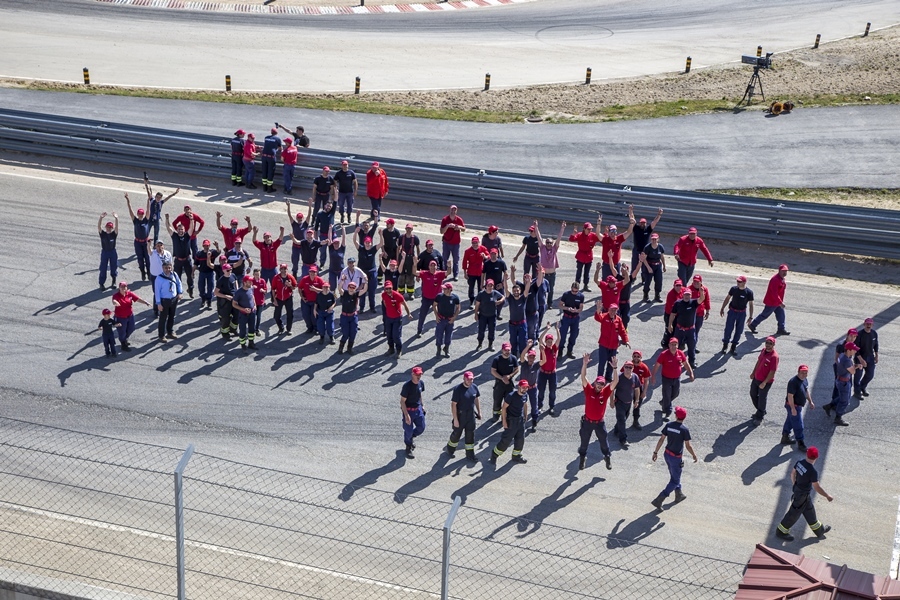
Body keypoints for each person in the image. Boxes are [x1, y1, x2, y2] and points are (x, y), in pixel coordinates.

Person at [774, 446, 833, 541]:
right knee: (793, 514)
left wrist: (795, 485)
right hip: (801, 496)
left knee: (810, 512)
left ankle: (819, 530)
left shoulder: (799, 463)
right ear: (816, 458)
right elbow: (817, 487)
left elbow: (792, 474)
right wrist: (827, 496)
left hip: (801, 494)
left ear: (807, 454)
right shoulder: (812, 471)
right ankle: (780, 531)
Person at [650, 406, 697, 509]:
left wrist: (655, 452)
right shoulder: (684, 430)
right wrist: (694, 455)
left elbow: (661, 440)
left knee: (674, 475)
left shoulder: (669, 425)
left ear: (676, 416)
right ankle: (660, 498)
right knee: (675, 480)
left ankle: (679, 494)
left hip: (667, 455)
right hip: (676, 458)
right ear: (684, 417)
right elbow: (688, 445)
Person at [577, 353, 617, 471]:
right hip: (587, 422)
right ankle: (582, 459)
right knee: (584, 442)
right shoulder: (589, 390)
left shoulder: (605, 393)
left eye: (602, 384)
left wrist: (614, 368)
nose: (600, 386)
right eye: (598, 383)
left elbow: (615, 382)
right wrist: (584, 364)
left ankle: (607, 457)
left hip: (599, 423)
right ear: (594, 383)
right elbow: (583, 377)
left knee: (604, 442)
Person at [488, 379, 530, 465]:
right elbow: (504, 408)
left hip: (520, 421)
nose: (525, 389)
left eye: (526, 387)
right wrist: (504, 421)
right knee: (505, 442)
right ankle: (494, 454)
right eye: (523, 387)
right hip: (511, 421)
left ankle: (516, 456)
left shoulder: (525, 395)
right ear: (519, 387)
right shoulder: (511, 396)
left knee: (520, 440)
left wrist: (526, 415)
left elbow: (525, 404)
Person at [651, 338, 694, 420]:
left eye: (675, 344)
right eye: (672, 344)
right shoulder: (664, 354)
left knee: (675, 393)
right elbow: (657, 365)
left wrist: (691, 373)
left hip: (677, 378)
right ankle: (668, 412)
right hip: (666, 378)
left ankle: (664, 402)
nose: (673, 346)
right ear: (669, 345)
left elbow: (686, 364)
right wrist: (653, 376)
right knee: (667, 394)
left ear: (677, 345)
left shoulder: (680, 354)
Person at [668, 283, 705, 369]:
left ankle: (691, 362)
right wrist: (670, 325)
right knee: (675, 346)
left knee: (691, 346)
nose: (687, 296)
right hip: (679, 329)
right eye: (685, 294)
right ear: (683, 295)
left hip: (690, 330)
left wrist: (701, 292)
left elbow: (702, 299)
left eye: (688, 295)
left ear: (690, 295)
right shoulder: (678, 303)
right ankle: (675, 361)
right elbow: (672, 314)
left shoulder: (693, 302)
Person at [446, 371, 482, 462]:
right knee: (456, 434)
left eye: (471, 379)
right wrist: (455, 419)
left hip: (470, 415)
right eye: (468, 379)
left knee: (470, 435)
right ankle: (450, 449)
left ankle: (470, 454)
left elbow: (476, 399)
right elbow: (453, 404)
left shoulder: (474, 387)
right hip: (460, 415)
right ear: (464, 379)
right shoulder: (458, 389)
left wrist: (479, 412)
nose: (470, 381)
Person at [821, 342, 859, 426]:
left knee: (842, 397)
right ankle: (838, 417)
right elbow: (853, 371)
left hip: (840, 380)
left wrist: (855, 365)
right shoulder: (847, 360)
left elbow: (848, 368)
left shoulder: (842, 356)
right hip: (844, 382)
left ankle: (829, 406)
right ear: (849, 350)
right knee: (845, 401)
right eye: (854, 350)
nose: (855, 352)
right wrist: (854, 365)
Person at [748, 264, 790, 336]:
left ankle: (781, 329)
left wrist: (780, 302)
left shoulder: (782, 279)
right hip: (772, 302)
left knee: (781, 315)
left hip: (777, 302)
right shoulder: (775, 280)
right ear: (779, 271)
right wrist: (780, 302)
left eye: (786, 271)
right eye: (783, 271)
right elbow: (774, 293)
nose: (784, 273)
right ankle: (753, 324)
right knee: (765, 315)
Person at [594, 301, 629, 381]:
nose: (613, 312)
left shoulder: (618, 319)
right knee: (602, 363)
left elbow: (622, 331)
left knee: (611, 363)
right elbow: (597, 317)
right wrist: (598, 311)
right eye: (612, 310)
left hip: (613, 345)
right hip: (603, 345)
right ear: (608, 310)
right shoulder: (604, 316)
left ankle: (608, 376)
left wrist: (626, 340)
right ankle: (599, 378)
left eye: (615, 310)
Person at [720, 275, 754, 355]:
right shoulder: (733, 289)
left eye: (740, 282)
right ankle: (725, 346)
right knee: (728, 329)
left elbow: (751, 305)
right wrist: (722, 308)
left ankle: (733, 347)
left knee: (739, 330)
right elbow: (728, 298)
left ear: (744, 282)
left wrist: (750, 317)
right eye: (737, 281)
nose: (738, 283)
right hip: (732, 311)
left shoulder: (749, 292)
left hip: (741, 313)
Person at [782, 365, 814, 451]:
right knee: (799, 425)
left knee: (790, 420)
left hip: (798, 406)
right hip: (793, 405)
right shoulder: (793, 382)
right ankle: (801, 443)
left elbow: (806, 391)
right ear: (798, 372)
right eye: (802, 372)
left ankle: (785, 436)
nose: (804, 374)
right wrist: (793, 408)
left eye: (805, 372)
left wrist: (810, 401)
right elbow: (790, 396)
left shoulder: (804, 380)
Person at [111, 281, 149, 352]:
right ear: (119, 288)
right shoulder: (116, 295)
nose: (123, 288)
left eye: (124, 286)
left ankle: (125, 338)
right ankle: (123, 344)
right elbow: (114, 301)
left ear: (127, 287)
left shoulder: (129, 294)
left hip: (129, 316)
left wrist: (145, 302)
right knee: (122, 331)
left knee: (132, 328)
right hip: (120, 317)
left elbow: (137, 299)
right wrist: (115, 303)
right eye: (121, 287)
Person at [750, 336, 779, 425]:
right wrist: (753, 373)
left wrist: (764, 382)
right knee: (753, 394)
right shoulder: (763, 350)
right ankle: (761, 410)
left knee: (762, 398)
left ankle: (759, 416)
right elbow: (758, 362)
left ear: (773, 345)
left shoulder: (774, 357)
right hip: (756, 378)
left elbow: (772, 372)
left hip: (765, 382)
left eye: (770, 344)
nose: (768, 345)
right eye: (767, 343)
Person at [165, 213, 195, 299]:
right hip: (178, 261)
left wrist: (191, 219)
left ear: (184, 230)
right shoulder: (174, 236)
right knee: (177, 278)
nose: (180, 231)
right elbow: (169, 228)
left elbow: (191, 228)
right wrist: (167, 219)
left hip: (187, 260)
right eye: (179, 229)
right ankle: (178, 292)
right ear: (177, 230)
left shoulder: (187, 236)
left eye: (182, 229)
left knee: (190, 276)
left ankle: (190, 289)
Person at [612, 360, 641, 449]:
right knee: (622, 420)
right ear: (623, 368)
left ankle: (617, 430)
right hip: (619, 402)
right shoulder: (619, 377)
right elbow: (612, 389)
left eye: (630, 367)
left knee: (623, 419)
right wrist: (611, 401)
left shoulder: (635, 377)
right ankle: (623, 440)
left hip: (628, 403)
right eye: (626, 367)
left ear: (633, 368)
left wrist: (636, 400)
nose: (628, 369)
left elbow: (637, 389)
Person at [400, 366, 427, 459]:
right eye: (417, 374)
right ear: (412, 374)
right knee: (408, 430)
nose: (419, 376)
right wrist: (406, 415)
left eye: (420, 374)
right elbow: (402, 401)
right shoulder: (407, 386)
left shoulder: (421, 383)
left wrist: (422, 405)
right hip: (409, 411)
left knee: (421, 427)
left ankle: (410, 437)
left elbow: (419, 395)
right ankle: (408, 446)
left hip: (418, 409)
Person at [416, 262, 449, 336]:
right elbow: (415, 272)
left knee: (440, 314)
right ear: (429, 266)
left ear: (436, 267)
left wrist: (449, 267)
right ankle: (419, 330)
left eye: (434, 266)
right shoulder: (425, 273)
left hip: (437, 299)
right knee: (422, 314)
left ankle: (441, 330)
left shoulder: (439, 274)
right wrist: (415, 264)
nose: (433, 268)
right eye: (431, 266)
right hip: (426, 298)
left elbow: (448, 273)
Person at [124, 192, 151, 281]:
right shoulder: (135, 220)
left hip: (145, 242)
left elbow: (148, 210)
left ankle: (149, 273)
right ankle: (142, 272)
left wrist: (148, 200)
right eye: (139, 214)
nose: (140, 215)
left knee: (147, 258)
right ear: (138, 214)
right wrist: (128, 201)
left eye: (141, 214)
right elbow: (130, 211)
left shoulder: (146, 220)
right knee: (140, 258)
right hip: (138, 242)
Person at [143, 177, 179, 245]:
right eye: (157, 197)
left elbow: (168, 197)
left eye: (160, 197)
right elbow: (148, 192)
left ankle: (154, 246)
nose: (158, 198)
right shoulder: (152, 200)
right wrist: (146, 184)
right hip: (150, 220)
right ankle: (144, 244)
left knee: (156, 235)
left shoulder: (161, 202)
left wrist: (175, 193)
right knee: (146, 233)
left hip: (156, 221)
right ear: (155, 196)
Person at [569, 218, 601, 292]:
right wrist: (573, 234)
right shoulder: (580, 235)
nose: (590, 230)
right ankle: (576, 285)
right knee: (579, 272)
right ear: (584, 229)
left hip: (588, 257)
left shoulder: (592, 235)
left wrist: (605, 233)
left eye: (590, 229)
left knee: (587, 273)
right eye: (588, 229)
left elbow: (600, 238)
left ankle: (586, 285)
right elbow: (571, 239)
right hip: (580, 256)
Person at [154, 261, 183, 343]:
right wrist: (158, 303)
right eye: (166, 268)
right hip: (164, 301)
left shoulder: (174, 275)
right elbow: (157, 292)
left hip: (173, 299)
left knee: (172, 316)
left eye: (169, 267)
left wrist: (180, 293)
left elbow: (179, 284)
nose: (168, 269)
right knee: (163, 318)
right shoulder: (159, 278)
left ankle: (170, 332)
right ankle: (161, 335)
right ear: (163, 268)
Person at [599, 215, 635, 280]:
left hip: (616, 265)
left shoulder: (619, 239)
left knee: (616, 282)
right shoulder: (605, 239)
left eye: (614, 232)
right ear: (609, 232)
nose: (613, 233)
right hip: (606, 265)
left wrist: (631, 223)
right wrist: (599, 224)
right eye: (611, 232)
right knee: (605, 282)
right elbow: (598, 234)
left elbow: (629, 232)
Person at [490, 342, 519, 421]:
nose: (507, 352)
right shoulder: (497, 359)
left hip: (509, 384)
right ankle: (496, 415)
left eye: (508, 350)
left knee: (508, 402)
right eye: (505, 350)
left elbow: (517, 369)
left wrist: (510, 376)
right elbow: (493, 371)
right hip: (499, 384)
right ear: (502, 350)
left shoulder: (513, 358)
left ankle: (505, 417)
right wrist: (502, 378)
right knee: (497, 401)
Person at [538, 221, 566, 304]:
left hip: (552, 274)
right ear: (545, 243)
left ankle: (549, 303)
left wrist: (562, 228)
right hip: (544, 274)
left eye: (550, 243)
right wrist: (536, 228)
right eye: (547, 242)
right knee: (542, 289)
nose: (549, 244)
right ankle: (542, 302)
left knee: (551, 290)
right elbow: (539, 237)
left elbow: (559, 239)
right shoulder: (542, 248)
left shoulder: (554, 249)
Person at [382, 281, 412, 357]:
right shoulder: (383, 295)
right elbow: (385, 303)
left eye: (390, 288)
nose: (388, 291)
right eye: (387, 289)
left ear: (392, 288)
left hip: (397, 318)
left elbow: (405, 304)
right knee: (389, 335)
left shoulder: (398, 296)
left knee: (396, 335)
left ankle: (399, 350)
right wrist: (389, 311)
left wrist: (409, 314)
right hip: (389, 318)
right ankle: (391, 349)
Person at [629, 206, 663, 272]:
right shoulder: (636, 228)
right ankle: (632, 279)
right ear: (639, 223)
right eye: (641, 223)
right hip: (636, 249)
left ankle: (644, 280)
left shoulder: (648, 229)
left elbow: (655, 222)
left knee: (644, 267)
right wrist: (630, 210)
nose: (642, 224)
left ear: (646, 223)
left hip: (645, 251)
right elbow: (632, 218)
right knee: (634, 265)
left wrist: (659, 214)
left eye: (644, 223)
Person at [537, 323, 560, 418]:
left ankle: (551, 406)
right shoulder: (543, 348)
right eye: (548, 341)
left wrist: (557, 329)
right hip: (543, 373)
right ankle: (539, 406)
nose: (550, 343)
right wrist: (546, 329)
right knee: (541, 391)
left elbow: (559, 339)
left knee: (552, 391)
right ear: (546, 342)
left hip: (552, 374)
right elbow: (540, 339)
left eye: (551, 341)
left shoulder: (554, 348)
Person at [505, 268, 530, 357]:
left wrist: (528, 281)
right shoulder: (510, 298)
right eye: (514, 291)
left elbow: (527, 290)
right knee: (513, 341)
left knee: (523, 341)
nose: (516, 292)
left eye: (517, 290)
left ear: (520, 291)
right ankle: (514, 356)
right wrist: (505, 279)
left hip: (522, 324)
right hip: (512, 325)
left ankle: (523, 356)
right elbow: (506, 288)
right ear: (513, 292)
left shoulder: (523, 298)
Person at [355, 231, 381, 314]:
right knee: (362, 292)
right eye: (366, 242)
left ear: (371, 243)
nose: (367, 244)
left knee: (371, 292)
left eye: (369, 242)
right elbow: (354, 241)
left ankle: (372, 307)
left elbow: (381, 243)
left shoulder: (373, 249)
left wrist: (381, 235)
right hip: (362, 273)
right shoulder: (361, 249)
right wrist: (355, 232)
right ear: (364, 243)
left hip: (372, 273)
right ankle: (361, 308)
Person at [557, 281, 585, 360]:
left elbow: (581, 308)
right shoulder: (566, 295)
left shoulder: (581, 296)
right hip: (566, 317)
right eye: (573, 291)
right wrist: (567, 308)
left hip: (575, 318)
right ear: (571, 289)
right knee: (562, 335)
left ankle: (570, 351)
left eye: (576, 291)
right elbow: (560, 305)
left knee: (574, 335)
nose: (574, 292)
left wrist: (576, 310)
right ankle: (560, 351)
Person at [286, 199, 313, 278]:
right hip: (295, 246)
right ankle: (294, 272)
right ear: (297, 218)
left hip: (303, 246)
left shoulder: (305, 224)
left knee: (305, 260)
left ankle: (306, 273)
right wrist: (288, 206)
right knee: (295, 261)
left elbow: (309, 215)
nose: (299, 220)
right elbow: (289, 215)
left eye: (301, 219)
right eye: (298, 219)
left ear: (302, 219)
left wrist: (310, 206)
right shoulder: (294, 224)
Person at [474, 279, 504, 351]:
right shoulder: (481, 294)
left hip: (492, 316)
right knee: (481, 330)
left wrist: (500, 301)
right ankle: (480, 344)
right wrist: (476, 314)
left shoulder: (495, 293)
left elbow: (503, 297)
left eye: (491, 286)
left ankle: (490, 344)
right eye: (488, 285)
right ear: (486, 286)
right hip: (483, 315)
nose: (490, 287)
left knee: (492, 330)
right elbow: (477, 305)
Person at [433, 282, 460, 357]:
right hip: (441, 319)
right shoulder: (439, 296)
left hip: (449, 320)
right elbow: (434, 305)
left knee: (448, 335)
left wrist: (454, 317)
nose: (443, 290)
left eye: (445, 288)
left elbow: (458, 307)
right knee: (439, 335)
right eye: (443, 288)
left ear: (449, 289)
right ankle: (438, 349)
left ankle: (446, 349)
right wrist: (436, 315)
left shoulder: (455, 298)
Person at [518, 342, 541, 433]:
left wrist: (542, 351)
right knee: (520, 404)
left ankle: (534, 421)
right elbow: (521, 356)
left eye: (533, 357)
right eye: (530, 357)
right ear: (528, 357)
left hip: (532, 388)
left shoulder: (536, 365)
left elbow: (544, 361)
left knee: (534, 405)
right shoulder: (524, 364)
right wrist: (528, 346)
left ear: (535, 358)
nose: (531, 358)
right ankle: (521, 420)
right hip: (523, 388)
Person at [854, 317, 879, 398]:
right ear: (864, 324)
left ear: (872, 325)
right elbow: (855, 349)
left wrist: (876, 355)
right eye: (867, 324)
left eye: (870, 324)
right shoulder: (859, 334)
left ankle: (862, 387)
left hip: (870, 357)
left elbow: (876, 345)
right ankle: (857, 392)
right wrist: (861, 360)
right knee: (858, 376)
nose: (868, 325)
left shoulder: (874, 333)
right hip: (860, 357)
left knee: (870, 375)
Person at [440, 205, 466, 280]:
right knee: (445, 258)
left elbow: (464, 229)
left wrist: (459, 227)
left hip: (455, 243)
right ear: (450, 210)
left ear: (456, 211)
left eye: (454, 210)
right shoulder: (445, 219)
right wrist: (448, 226)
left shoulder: (459, 220)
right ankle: (444, 273)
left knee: (456, 259)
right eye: (452, 210)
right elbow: (441, 231)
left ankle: (455, 274)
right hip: (446, 243)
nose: (453, 211)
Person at [462, 236, 489, 308]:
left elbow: (489, 255)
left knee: (480, 287)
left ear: (479, 243)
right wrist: (465, 273)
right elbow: (464, 262)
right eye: (473, 243)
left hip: (480, 271)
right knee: (471, 287)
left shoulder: (483, 248)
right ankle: (471, 300)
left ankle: (479, 301)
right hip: (471, 272)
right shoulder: (468, 251)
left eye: (476, 243)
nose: (475, 244)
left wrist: (485, 256)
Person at [638, 232, 665, 303]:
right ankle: (645, 296)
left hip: (658, 265)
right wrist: (648, 268)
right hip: (649, 265)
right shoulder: (647, 247)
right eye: (653, 239)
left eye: (655, 239)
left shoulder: (660, 247)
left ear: (658, 239)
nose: (654, 240)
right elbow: (644, 259)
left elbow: (662, 257)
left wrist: (664, 266)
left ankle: (657, 295)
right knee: (648, 281)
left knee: (659, 281)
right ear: (651, 239)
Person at [232, 275, 257, 351]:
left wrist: (255, 305)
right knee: (242, 330)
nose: (251, 283)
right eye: (249, 282)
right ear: (244, 283)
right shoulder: (238, 292)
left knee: (252, 329)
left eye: (251, 281)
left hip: (252, 313)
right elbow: (234, 304)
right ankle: (243, 345)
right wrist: (243, 309)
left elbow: (252, 297)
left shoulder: (251, 288)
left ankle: (251, 343)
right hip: (243, 315)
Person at [481, 249, 508, 320]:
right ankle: (486, 314)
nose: (493, 256)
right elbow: (483, 274)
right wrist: (482, 284)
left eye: (494, 254)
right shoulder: (486, 263)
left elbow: (506, 275)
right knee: (486, 301)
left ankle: (498, 313)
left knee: (502, 301)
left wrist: (502, 284)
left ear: (497, 254)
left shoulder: (501, 263)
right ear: (490, 254)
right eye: (492, 254)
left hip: (498, 285)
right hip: (489, 285)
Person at [298, 266, 325, 335]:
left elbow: (325, 290)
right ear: (309, 272)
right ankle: (309, 328)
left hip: (315, 302)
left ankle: (316, 328)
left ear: (317, 273)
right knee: (305, 315)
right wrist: (302, 296)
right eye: (311, 272)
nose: (312, 274)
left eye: (314, 272)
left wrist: (316, 289)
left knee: (314, 316)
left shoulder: (319, 280)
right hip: (306, 301)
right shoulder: (304, 279)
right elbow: (300, 288)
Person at [148, 241, 172, 318]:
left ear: (163, 246)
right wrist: (148, 244)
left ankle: (165, 308)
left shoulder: (167, 254)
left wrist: (171, 275)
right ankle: (155, 310)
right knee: (156, 292)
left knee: (165, 292)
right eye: (157, 246)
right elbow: (149, 250)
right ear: (155, 247)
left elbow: (171, 265)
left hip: (165, 276)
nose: (159, 247)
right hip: (155, 276)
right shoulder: (153, 253)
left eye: (160, 245)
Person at [271, 263, 297, 335]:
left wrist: (290, 286)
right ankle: (281, 328)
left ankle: (288, 329)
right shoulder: (276, 277)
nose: (283, 270)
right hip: (279, 298)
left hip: (288, 298)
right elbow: (273, 289)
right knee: (276, 316)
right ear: (280, 269)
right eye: (282, 269)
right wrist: (274, 299)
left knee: (290, 314)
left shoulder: (290, 277)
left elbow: (294, 287)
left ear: (287, 269)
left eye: (284, 269)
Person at [214, 263, 238, 339]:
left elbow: (236, 281)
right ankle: (225, 333)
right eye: (228, 270)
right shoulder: (221, 280)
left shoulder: (233, 275)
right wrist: (225, 296)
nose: (229, 271)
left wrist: (237, 291)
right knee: (226, 318)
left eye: (230, 269)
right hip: (225, 302)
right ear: (223, 270)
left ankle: (233, 329)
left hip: (234, 299)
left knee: (237, 316)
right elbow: (216, 292)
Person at [629, 350, 652, 430]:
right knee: (625, 406)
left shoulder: (644, 367)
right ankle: (619, 425)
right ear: (632, 357)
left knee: (637, 406)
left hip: (639, 389)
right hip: (628, 388)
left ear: (641, 358)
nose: (636, 358)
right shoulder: (628, 365)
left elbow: (646, 380)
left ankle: (635, 421)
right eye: (634, 356)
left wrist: (644, 391)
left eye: (638, 356)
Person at [194, 239, 219, 310]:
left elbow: (218, 252)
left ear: (209, 245)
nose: (206, 247)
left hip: (210, 273)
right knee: (201, 287)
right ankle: (203, 298)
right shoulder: (199, 254)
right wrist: (192, 272)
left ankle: (209, 301)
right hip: (202, 273)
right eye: (205, 245)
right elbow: (196, 263)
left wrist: (217, 246)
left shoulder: (212, 252)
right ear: (203, 246)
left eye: (207, 245)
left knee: (210, 287)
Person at [337, 281, 362, 354]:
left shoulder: (356, 294)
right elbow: (339, 288)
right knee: (345, 333)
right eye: (350, 287)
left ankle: (349, 348)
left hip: (353, 316)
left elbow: (364, 290)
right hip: (345, 316)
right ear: (347, 287)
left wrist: (365, 281)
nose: (351, 289)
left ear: (355, 289)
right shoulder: (344, 293)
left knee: (353, 333)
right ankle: (341, 347)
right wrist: (342, 280)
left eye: (353, 287)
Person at [659, 279, 685, 349]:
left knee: (678, 330)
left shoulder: (684, 291)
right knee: (669, 330)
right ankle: (665, 344)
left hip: (678, 315)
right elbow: (672, 310)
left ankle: (677, 344)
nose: (678, 287)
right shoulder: (671, 294)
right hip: (670, 315)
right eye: (677, 286)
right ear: (674, 286)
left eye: (680, 285)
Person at [688, 275, 711, 351]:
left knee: (696, 331)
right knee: (689, 331)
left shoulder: (705, 289)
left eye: (697, 281)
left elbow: (707, 301)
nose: (695, 283)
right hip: (690, 314)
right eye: (694, 281)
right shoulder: (688, 289)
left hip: (700, 314)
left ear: (701, 282)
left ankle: (693, 346)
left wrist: (707, 312)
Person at [97, 212, 119, 290]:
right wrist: (101, 218)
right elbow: (99, 226)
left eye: (110, 227)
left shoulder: (114, 234)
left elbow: (117, 228)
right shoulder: (102, 234)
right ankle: (101, 283)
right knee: (103, 268)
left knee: (113, 267)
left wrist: (116, 218)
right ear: (105, 227)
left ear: (111, 228)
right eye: (107, 227)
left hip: (112, 252)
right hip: (105, 252)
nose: (108, 228)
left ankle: (114, 281)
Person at [313, 201, 337, 268]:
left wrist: (335, 191)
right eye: (328, 206)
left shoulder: (332, 212)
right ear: (324, 206)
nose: (329, 207)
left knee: (333, 250)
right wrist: (315, 236)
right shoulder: (320, 214)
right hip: (323, 235)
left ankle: (332, 265)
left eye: (330, 206)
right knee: (322, 250)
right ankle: (322, 264)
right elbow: (316, 225)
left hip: (332, 234)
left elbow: (335, 201)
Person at [398, 223, 420, 297]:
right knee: (401, 276)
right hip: (402, 258)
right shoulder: (401, 237)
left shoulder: (415, 238)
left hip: (411, 258)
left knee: (410, 276)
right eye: (407, 228)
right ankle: (401, 292)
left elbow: (417, 248)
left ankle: (410, 293)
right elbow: (398, 247)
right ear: (405, 229)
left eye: (410, 228)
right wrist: (397, 258)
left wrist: (418, 258)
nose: (408, 230)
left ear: (412, 229)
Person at [378, 218, 402, 285]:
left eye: (388, 224)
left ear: (392, 225)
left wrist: (397, 257)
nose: (386, 225)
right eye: (386, 223)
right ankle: (378, 278)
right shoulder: (384, 232)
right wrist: (383, 251)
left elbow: (398, 246)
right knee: (383, 265)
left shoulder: (396, 232)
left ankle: (394, 279)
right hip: (386, 251)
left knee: (394, 266)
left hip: (394, 251)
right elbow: (382, 242)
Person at [260, 128, 282, 193]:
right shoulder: (277, 139)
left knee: (264, 171)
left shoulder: (266, 137)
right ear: (276, 133)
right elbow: (280, 147)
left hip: (264, 157)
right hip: (271, 157)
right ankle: (269, 188)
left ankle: (264, 187)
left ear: (271, 132)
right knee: (270, 172)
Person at [250, 268, 268, 336]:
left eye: (258, 274)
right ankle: (252, 329)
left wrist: (263, 290)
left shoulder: (262, 281)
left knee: (259, 317)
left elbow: (266, 290)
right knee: (253, 316)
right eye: (256, 275)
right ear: (253, 275)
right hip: (253, 302)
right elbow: (246, 288)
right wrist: (252, 287)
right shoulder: (251, 281)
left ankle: (257, 329)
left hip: (260, 302)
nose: (257, 276)